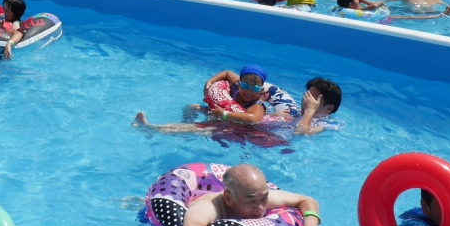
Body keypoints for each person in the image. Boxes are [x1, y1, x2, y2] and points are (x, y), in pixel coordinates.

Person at [154, 164, 322, 226]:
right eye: (250, 202)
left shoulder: (259, 196)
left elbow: (307, 200)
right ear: (228, 197)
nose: (260, 208)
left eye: (264, 199)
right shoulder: (209, 205)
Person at [135, 75, 340, 139]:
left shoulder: (326, 125)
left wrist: (311, 112)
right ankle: (160, 128)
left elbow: (300, 134)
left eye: (312, 100)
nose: (306, 102)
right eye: (306, 96)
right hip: (249, 121)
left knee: (206, 130)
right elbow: (238, 78)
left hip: (254, 132)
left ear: (328, 108)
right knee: (194, 107)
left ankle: (152, 129)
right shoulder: (293, 108)